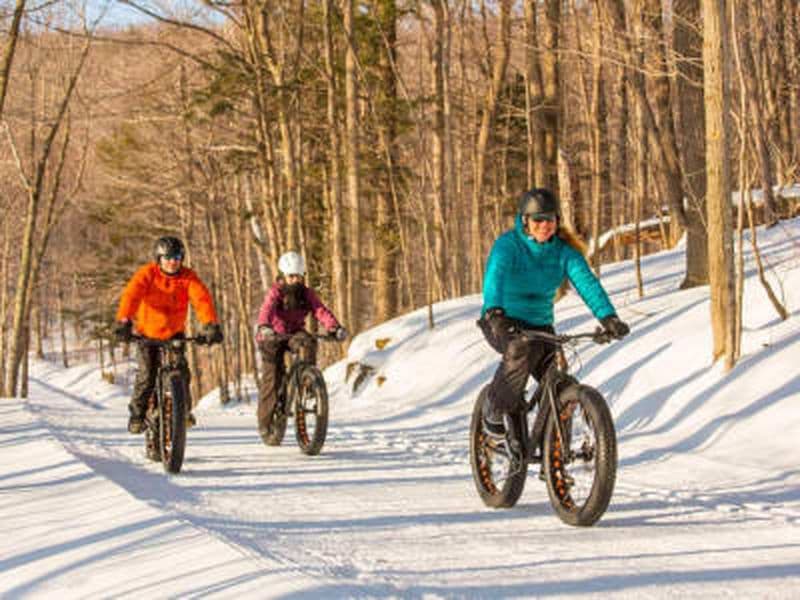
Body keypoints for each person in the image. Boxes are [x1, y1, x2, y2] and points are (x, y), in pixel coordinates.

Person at [478, 188, 629, 437]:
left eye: (550, 219)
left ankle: (555, 452)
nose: (544, 225)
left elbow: (587, 283)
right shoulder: (508, 245)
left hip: (539, 323)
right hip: (501, 319)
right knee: (519, 351)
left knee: (560, 383)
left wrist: (608, 317)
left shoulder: (564, 252)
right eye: (538, 219)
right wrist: (494, 312)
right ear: (525, 221)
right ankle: (494, 407)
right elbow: (495, 278)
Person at [114, 236, 223, 434]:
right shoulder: (147, 274)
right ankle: (137, 414)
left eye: (178, 257)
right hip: (147, 335)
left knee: (181, 372)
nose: (173, 261)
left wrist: (210, 324)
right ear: (159, 258)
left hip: (174, 335)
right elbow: (132, 295)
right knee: (147, 375)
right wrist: (124, 320)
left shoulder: (187, 277)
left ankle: (183, 411)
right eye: (168, 257)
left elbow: (202, 299)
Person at [255, 251, 347, 439]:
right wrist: (264, 326)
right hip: (271, 336)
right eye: (291, 276)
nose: (295, 279)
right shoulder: (276, 292)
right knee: (272, 379)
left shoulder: (307, 293)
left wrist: (334, 327)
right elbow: (267, 309)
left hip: (294, 333)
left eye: (298, 275)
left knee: (308, 341)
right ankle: (265, 424)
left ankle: (308, 380)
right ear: (283, 275)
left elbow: (320, 310)